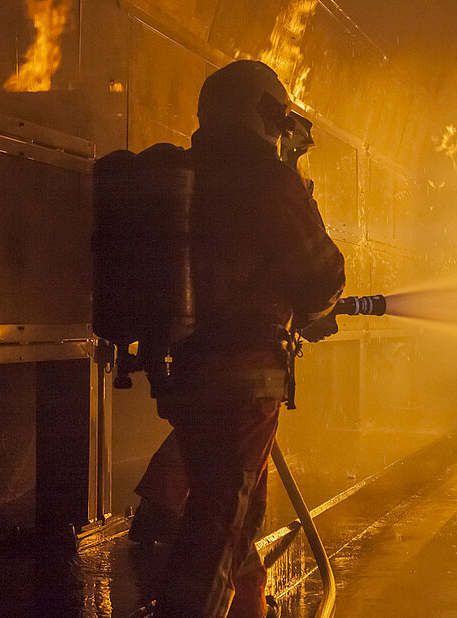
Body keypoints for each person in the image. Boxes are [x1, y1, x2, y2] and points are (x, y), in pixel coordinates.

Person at [150, 60, 345, 618]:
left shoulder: (185, 177)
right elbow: (322, 276)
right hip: (246, 376)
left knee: (235, 508)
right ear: (263, 115)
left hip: (186, 372)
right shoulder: (270, 181)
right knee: (219, 517)